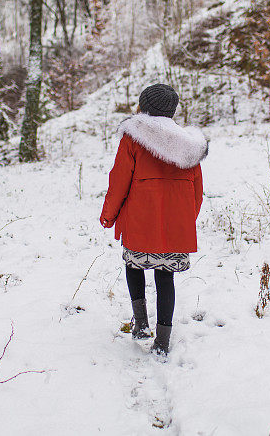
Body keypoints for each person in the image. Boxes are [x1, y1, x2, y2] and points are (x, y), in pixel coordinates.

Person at [100, 84, 208, 355]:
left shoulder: (133, 138)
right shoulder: (189, 144)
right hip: (175, 227)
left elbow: (119, 181)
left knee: (134, 267)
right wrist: (184, 221)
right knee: (165, 278)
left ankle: (141, 324)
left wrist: (108, 216)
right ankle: (162, 341)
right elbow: (197, 192)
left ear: (143, 106)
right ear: (172, 110)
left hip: (139, 222)